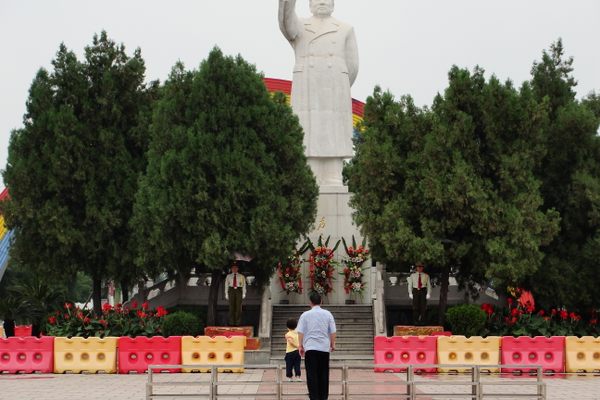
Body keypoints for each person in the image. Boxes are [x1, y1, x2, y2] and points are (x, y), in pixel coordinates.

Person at [278, 0, 359, 187]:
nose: (322, 2)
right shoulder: (300, 26)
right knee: (309, 136)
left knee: (333, 134)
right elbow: (285, 24)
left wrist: (338, 86)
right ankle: (312, 173)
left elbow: (353, 66)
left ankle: (333, 174)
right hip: (308, 89)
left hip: (333, 91)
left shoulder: (345, 29)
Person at [297, 292, 336, 400]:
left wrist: (300, 346)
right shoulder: (328, 314)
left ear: (310, 302)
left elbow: (300, 332)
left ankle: (314, 397)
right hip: (324, 348)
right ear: (321, 302)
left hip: (310, 348)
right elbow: (332, 331)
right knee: (324, 373)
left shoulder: (305, 315)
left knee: (311, 374)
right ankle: (323, 397)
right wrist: (333, 344)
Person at [224, 262, 246, 326]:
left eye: (236, 268)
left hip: (239, 290)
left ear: (238, 269)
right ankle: (231, 322)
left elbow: (244, 285)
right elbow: (226, 285)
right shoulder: (228, 276)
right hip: (231, 290)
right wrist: (226, 293)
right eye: (233, 268)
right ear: (231, 269)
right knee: (231, 307)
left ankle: (237, 322)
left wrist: (244, 293)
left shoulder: (241, 276)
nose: (234, 269)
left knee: (238, 307)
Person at [284, 317, 302, 382]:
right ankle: (298, 377)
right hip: (297, 352)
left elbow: (291, 342)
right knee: (297, 364)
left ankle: (289, 377)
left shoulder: (287, 334)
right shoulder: (298, 333)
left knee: (289, 365)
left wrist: (297, 346)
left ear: (287, 327)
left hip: (290, 352)